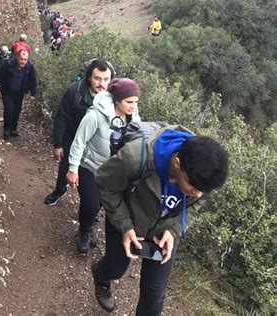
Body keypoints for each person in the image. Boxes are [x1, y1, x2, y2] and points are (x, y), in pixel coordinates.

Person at [91, 127, 229, 313]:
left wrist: (174, 230)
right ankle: (101, 277)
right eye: (193, 187)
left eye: (203, 190)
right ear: (176, 162)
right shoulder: (135, 158)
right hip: (127, 219)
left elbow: (194, 205)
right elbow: (104, 183)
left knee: (154, 295)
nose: (198, 194)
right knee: (115, 268)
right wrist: (125, 225)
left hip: (164, 231)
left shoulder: (203, 179)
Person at [67, 78, 141, 255]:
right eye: (129, 102)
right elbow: (79, 141)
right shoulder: (95, 115)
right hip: (90, 167)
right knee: (91, 204)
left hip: (113, 173)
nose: (133, 106)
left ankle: (88, 224)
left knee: (100, 204)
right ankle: (84, 232)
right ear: (117, 100)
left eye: (136, 102)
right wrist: (72, 168)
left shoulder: (133, 119)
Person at [44, 59, 115, 207]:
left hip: (96, 144)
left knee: (95, 175)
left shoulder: (114, 99)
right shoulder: (74, 91)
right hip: (72, 137)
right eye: (97, 78)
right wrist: (57, 144)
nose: (102, 83)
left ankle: (91, 207)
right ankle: (59, 190)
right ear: (89, 77)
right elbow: (61, 117)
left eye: (106, 79)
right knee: (65, 166)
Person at [0, 50, 37, 140]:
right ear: (17, 57)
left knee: (17, 110)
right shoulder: (8, 64)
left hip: (19, 92)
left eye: (25, 60)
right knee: (9, 109)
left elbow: (33, 80)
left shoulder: (29, 67)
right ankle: (6, 130)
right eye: (21, 59)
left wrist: (33, 93)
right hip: (7, 90)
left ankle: (13, 129)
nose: (23, 62)